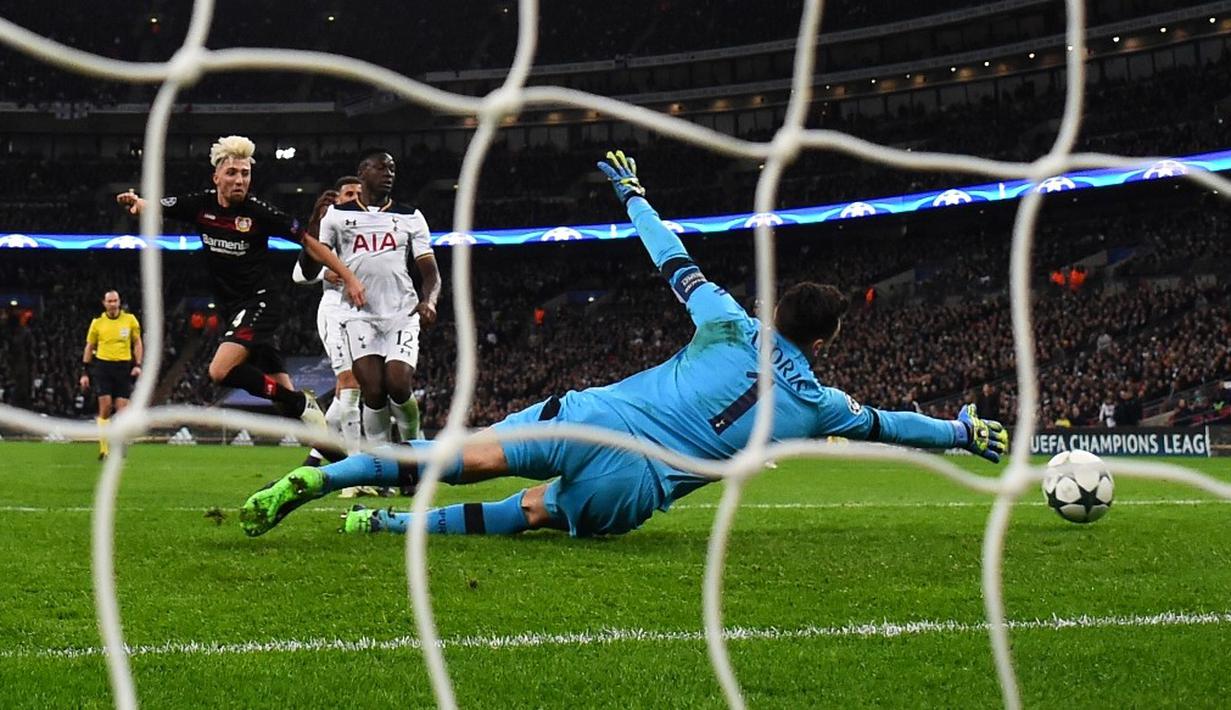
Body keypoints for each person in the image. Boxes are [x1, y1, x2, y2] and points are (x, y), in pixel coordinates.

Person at [239, 150, 1008, 539]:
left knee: (457, 457)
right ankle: (386, 527)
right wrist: (962, 431)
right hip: (638, 484)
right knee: (530, 513)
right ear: (828, 336)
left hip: (592, 414)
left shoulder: (730, 321)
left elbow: (672, 257)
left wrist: (634, 196)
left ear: (775, 311)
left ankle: (330, 483)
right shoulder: (822, 405)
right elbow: (890, 426)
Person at [115, 135, 366, 427]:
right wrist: (137, 203)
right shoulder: (200, 206)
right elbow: (160, 205)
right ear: (217, 177)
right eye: (232, 173)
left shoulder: (259, 212)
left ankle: (299, 401)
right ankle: (331, 454)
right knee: (287, 406)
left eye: (245, 173)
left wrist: (349, 277)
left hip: (260, 302)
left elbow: (309, 242)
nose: (239, 180)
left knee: (219, 370)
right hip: (232, 310)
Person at [315, 150, 440, 458]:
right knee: (371, 389)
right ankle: (381, 464)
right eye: (381, 167)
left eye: (393, 168)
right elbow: (314, 260)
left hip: (401, 313)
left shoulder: (411, 216)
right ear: (363, 171)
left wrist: (430, 301)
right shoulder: (337, 216)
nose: (389, 173)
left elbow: (431, 273)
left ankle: (414, 447)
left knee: (397, 384)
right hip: (356, 316)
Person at [292, 176, 365, 469]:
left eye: (359, 194)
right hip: (335, 312)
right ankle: (358, 469)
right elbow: (298, 274)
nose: (354, 198)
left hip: (364, 315)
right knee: (351, 383)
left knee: (348, 390)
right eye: (348, 193)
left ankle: (314, 457)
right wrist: (326, 273)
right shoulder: (327, 231)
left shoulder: (367, 229)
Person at [79, 290, 143, 460]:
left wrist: (137, 364)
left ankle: (120, 443)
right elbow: (89, 346)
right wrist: (84, 372)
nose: (113, 304)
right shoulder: (97, 323)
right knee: (105, 408)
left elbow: (137, 343)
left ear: (119, 302)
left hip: (123, 367)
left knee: (122, 410)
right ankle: (104, 450)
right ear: (104, 303)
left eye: (115, 301)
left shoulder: (130, 320)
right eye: (110, 301)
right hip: (103, 367)